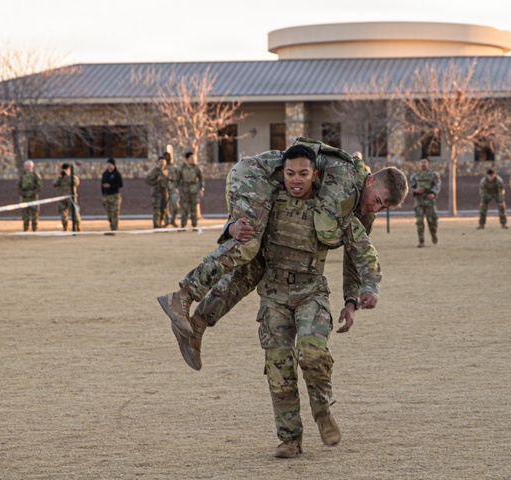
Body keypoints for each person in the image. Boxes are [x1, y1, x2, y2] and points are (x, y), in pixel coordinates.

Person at [158, 139, 408, 371]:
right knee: (247, 243)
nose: (375, 208)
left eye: (383, 207)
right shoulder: (346, 177)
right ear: (370, 180)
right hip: (255, 176)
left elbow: (355, 254)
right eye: (377, 200)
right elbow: (326, 230)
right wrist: (232, 226)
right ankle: (183, 295)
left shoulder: (364, 210)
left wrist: (351, 299)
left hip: (272, 203)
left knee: (252, 269)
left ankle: (197, 326)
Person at [252, 145, 363, 458]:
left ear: (315, 175)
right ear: (282, 174)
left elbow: (359, 250)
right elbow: (241, 225)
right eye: (290, 173)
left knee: (312, 351)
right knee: (278, 367)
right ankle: (290, 439)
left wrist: (354, 298)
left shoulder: (329, 206)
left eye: (303, 173)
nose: (296, 180)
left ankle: (322, 409)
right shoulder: (269, 200)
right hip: (273, 294)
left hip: (311, 291)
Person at [409, 157, 440, 247]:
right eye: (421, 162)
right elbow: (410, 188)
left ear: (428, 163)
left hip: (429, 202)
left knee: (432, 221)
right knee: (419, 222)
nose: (423, 164)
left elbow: (437, 185)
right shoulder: (415, 176)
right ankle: (421, 241)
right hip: (419, 202)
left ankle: (433, 234)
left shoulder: (433, 175)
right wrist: (415, 191)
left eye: (425, 162)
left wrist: (433, 193)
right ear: (419, 164)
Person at [177, 151, 205, 229]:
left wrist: (201, 189)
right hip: (184, 191)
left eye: (194, 158)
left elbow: (201, 178)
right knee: (184, 208)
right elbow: (177, 179)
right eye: (191, 158)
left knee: (194, 208)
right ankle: (183, 225)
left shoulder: (196, 168)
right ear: (187, 159)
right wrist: (176, 189)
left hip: (194, 191)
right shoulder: (181, 168)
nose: (193, 159)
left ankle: (194, 225)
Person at [52, 163, 81, 232]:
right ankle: (65, 227)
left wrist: (68, 175)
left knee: (74, 213)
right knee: (63, 214)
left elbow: (76, 182)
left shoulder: (72, 177)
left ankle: (77, 226)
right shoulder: (60, 177)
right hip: (62, 198)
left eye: (66, 169)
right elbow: (54, 184)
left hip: (71, 198)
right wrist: (59, 177)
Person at [145, 156, 171, 229]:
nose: (162, 163)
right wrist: (156, 181)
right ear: (158, 163)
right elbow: (147, 180)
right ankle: (156, 224)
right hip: (157, 192)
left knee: (164, 209)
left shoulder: (167, 171)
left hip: (165, 192)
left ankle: (161, 222)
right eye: (160, 162)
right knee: (157, 209)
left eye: (164, 162)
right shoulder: (154, 171)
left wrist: (169, 179)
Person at [16, 160, 42, 232]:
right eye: (25, 166)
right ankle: (26, 229)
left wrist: (33, 193)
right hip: (24, 198)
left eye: (27, 165)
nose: (26, 167)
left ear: (31, 166)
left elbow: (39, 186)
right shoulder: (22, 175)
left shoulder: (35, 175)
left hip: (33, 197)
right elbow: (18, 186)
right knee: (25, 214)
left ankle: (35, 229)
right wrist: (23, 193)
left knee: (34, 214)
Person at [101, 158, 123, 232]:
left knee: (115, 213)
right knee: (109, 214)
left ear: (113, 165)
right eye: (108, 164)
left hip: (115, 196)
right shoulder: (105, 174)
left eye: (110, 164)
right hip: (107, 196)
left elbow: (120, 184)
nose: (109, 166)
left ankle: (114, 229)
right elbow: (102, 184)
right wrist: (103, 194)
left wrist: (110, 186)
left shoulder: (117, 174)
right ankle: (112, 226)